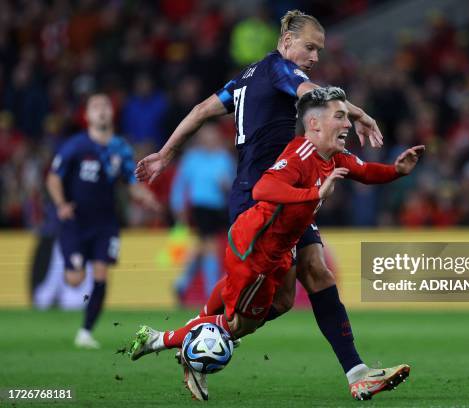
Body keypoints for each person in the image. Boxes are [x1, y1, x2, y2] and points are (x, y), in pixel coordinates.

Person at [135, 9, 390, 401]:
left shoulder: (244, 78)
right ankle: (186, 340)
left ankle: (357, 373)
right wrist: (357, 114)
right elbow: (314, 97)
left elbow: (202, 111)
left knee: (312, 275)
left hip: (281, 190)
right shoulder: (278, 70)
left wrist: (166, 153)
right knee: (259, 308)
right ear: (286, 42)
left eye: (319, 50)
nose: (315, 58)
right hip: (265, 198)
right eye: (310, 47)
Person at [46, 93, 160, 348]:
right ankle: (74, 261)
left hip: (105, 223)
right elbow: (53, 178)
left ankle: (85, 332)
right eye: (96, 107)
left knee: (101, 273)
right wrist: (61, 204)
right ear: (86, 116)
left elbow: (131, 183)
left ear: (112, 113)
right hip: (75, 221)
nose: (102, 110)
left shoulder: (120, 147)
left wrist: (145, 196)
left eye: (106, 106)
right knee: (74, 279)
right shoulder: (76, 145)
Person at [170, 124, 235, 303]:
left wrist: (226, 185)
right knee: (210, 246)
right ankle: (211, 292)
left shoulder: (223, 158)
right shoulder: (192, 158)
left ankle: (181, 283)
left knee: (203, 248)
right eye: (207, 136)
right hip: (200, 207)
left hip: (219, 208)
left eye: (213, 136)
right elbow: (179, 184)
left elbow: (231, 186)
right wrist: (178, 206)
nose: (210, 140)